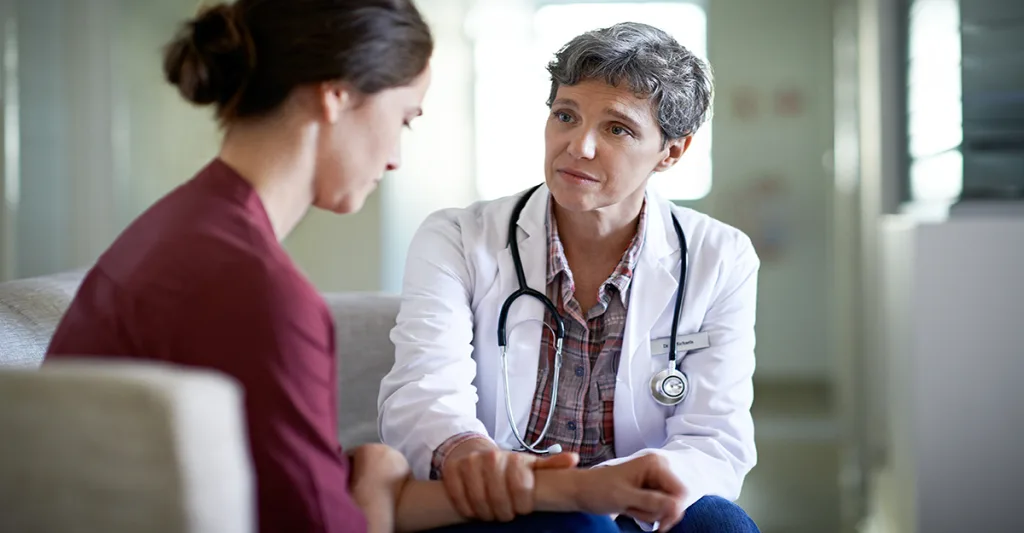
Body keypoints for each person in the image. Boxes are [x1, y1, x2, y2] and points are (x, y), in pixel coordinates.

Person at [45, 2, 689, 533]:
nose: (394, 159)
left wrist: (569, 488)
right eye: (404, 119)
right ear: (337, 97)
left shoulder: (184, 226)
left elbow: (296, 483)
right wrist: (377, 486)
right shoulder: (256, 290)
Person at [379, 21, 762, 532]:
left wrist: (607, 491)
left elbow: (715, 438)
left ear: (672, 151)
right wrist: (473, 454)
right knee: (581, 526)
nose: (578, 146)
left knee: (719, 524)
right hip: (506, 499)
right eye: (566, 115)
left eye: (617, 128)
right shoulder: (457, 237)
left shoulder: (721, 256)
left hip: (636, 501)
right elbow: (424, 392)